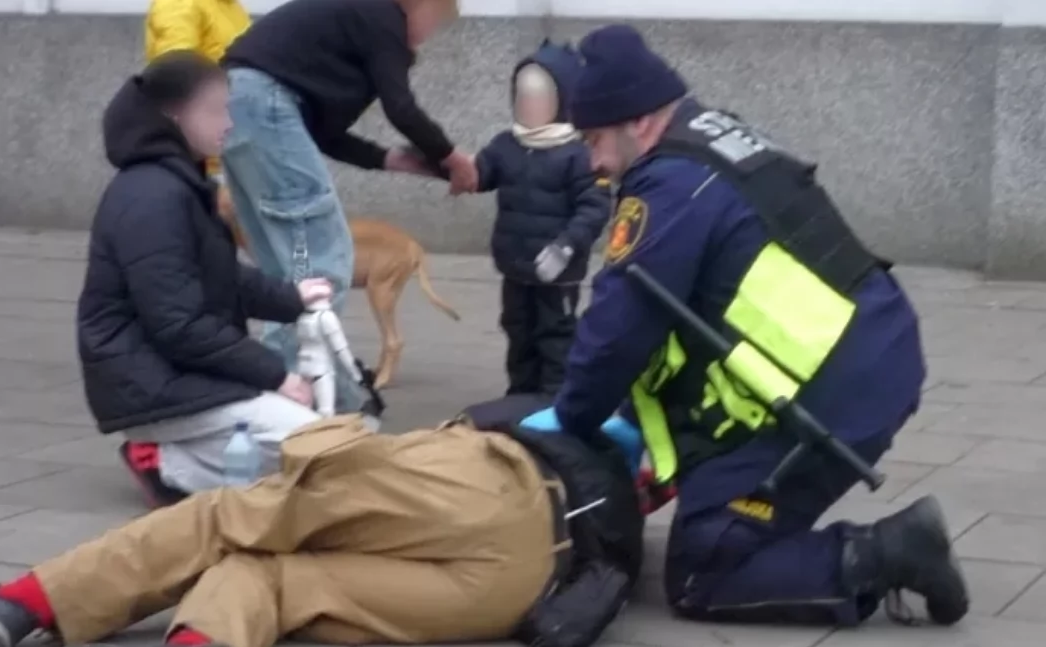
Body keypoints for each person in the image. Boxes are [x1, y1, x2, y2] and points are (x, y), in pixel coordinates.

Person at [521, 25, 969, 628]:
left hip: (833, 391)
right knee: (715, 499)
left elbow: (617, 329)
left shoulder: (670, 182)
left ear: (641, 123)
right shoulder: (713, 135)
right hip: (860, 351)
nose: (595, 163)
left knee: (704, 567)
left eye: (597, 138)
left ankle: (890, 551)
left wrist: (572, 425)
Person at [0, 413, 644, 647]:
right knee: (267, 577)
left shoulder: (608, 362)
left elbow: (555, 406)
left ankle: (19, 602)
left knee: (234, 517)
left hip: (492, 478)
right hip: (520, 584)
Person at [77, 51, 333, 509]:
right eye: (216, 110)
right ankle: (165, 461)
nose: (229, 123)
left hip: (167, 374)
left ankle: (176, 458)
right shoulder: (154, 196)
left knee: (321, 454)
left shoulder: (174, 183)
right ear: (173, 116)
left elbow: (216, 276)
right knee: (323, 453)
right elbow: (178, 324)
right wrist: (275, 375)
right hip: (151, 384)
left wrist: (290, 297)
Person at [217, 0, 476, 414]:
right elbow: (402, 108)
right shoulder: (384, 14)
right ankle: (301, 404)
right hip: (263, 106)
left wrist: (394, 161)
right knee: (319, 267)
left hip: (236, 107)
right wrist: (453, 159)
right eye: (439, 19)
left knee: (288, 275)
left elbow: (323, 133)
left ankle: (278, 397)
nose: (430, 33)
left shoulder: (354, 19)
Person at [471, 39, 611, 397]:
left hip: (556, 273)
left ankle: (552, 401)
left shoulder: (580, 153)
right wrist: (447, 166)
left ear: (562, 101)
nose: (527, 104)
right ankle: (519, 396)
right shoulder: (506, 144)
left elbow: (594, 206)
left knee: (555, 335)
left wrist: (566, 247)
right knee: (518, 331)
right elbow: (480, 174)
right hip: (515, 267)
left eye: (538, 96)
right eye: (521, 95)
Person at [144, 0, 253, 221]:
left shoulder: (231, 7)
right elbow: (175, 73)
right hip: (203, 156)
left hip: (233, 146)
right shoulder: (179, 4)